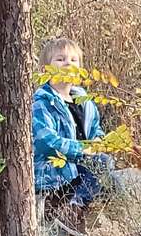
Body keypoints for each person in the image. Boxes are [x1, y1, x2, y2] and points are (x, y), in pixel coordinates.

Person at [32, 37, 113, 213]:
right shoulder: (42, 102)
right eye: (60, 59)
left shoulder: (84, 100)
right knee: (101, 165)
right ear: (45, 69)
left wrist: (98, 142)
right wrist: (81, 149)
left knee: (107, 168)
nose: (68, 63)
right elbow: (45, 141)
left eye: (73, 60)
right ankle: (69, 210)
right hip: (54, 173)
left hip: (81, 167)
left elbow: (95, 129)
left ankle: (77, 206)